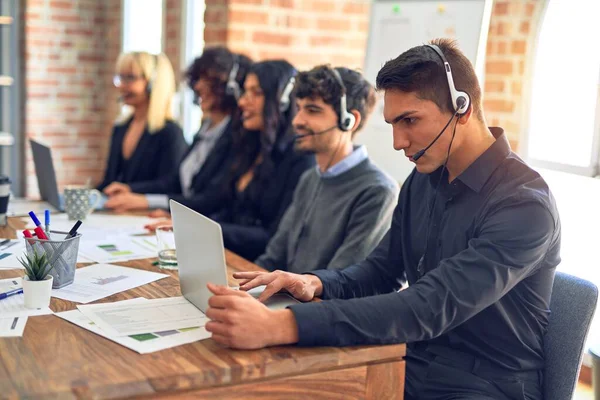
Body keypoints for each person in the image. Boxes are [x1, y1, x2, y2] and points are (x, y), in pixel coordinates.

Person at [203, 39, 561, 400]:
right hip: (411, 361)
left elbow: (430, 305)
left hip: (486, 383)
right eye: (392, 123)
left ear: (462, 107)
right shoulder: (423, 180)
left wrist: (283, 324)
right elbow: (382, 271)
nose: (397, 141)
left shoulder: (524, 205)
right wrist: (314, 283)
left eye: (410, 120)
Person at [255, 65, 398, 273]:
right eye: (298, 108)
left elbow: (338, 282)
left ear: (350, 120)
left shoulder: (378, 191)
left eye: (313, 110)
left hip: (314, 304)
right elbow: (272, 258)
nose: (297, 121)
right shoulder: (309, 178)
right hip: (286, 300)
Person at [102, 48, 252, 214]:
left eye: (207, 80)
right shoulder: (206, 128)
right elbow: (176, 182)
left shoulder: (235, 135)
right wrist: (131, 189)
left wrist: (146, 200)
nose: (198, 86)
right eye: (198, 79)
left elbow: (211, 199)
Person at [97, 51, 187, 192]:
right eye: (120, 77)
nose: (121, 86)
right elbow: (109, 181)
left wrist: (129, 189)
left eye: (130, 78)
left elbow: (171, 185)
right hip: (117, 210)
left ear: (153, 84)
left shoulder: (170, 133)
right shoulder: (121, 128)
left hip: (148, 211)